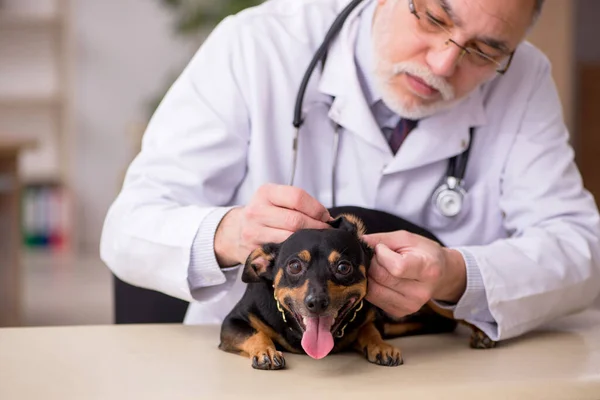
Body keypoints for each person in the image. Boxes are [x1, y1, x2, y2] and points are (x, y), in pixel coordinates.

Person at [100, 0, 600, 344]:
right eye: (431, 16)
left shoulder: (524, 78)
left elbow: (583, 247)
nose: (445, 63)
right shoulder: (258, 45)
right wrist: (229, 234)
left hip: (427, 370)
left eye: (485, 51)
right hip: (255, 362)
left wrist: (458, 274)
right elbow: (128, 228)